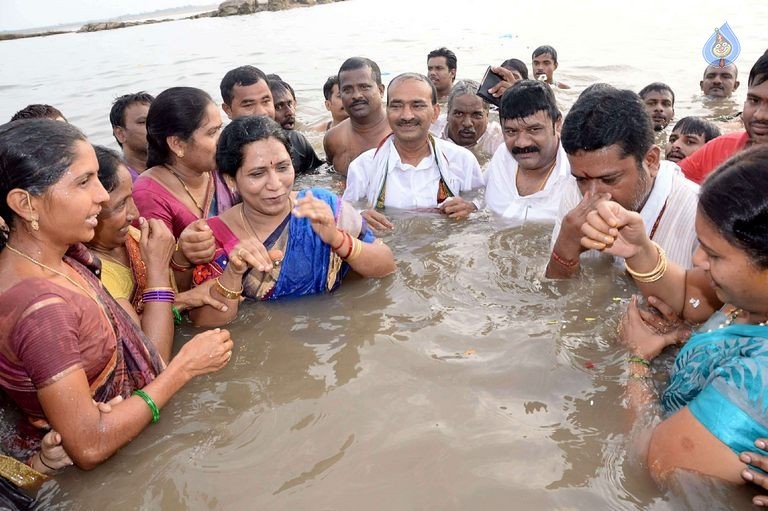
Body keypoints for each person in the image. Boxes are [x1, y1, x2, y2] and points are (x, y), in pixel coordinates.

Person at [0, 119, 233, 472]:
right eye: (83, 182)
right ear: (25, 204)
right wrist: (185, 368)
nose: (102, 195)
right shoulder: (42, 309)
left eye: (96, 177)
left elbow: (139, 349)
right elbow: (90, 446)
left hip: (129, 430)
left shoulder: (64, 260)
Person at [580, 146, 768, 485]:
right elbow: (685, 292)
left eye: (714, 254)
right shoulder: (748, 297)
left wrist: (637, 359)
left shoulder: (760, 380)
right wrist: (638, 249)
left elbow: (658, 465)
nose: (697, 259)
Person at [187, 116, 395, 327]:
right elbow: (203, 324)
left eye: (283, 167)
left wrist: (337, 239)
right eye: (258, 173)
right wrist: (233, 272)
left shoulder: (322, 205)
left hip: (329, 338)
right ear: (231, 180)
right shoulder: (214, 236)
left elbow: (386, 266)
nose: (275, 184)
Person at [545, 87, 699, 279]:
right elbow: (555, 296)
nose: (592, 195)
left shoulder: (699, 212)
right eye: (582, 180)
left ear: (651, 161)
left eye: (609, 179)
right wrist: (565, 247)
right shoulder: (573, 192)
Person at [86, 146, 228, 323]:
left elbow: (177, 288)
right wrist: (173, 289)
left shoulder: (133, 237)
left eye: (131, 197)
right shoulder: (93, 274)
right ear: (89, 211)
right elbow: (143, 346)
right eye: (121, 205)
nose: (135, 214)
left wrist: (182, 256)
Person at [343, 73, 483, 231]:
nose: (407, 115)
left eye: (417, 105)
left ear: (435, 112)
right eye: (396, 106)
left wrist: (471, 207)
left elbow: (482, 202)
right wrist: (359, 219)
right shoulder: (363, 167)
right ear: (386, 111)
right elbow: (346, 213)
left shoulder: (462, 160)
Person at [133, 86, 237, 240]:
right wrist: (181, 256)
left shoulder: (218, 168)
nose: (221, 139)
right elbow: (155, 259)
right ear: (177, 144)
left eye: (219, 129)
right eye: (212, 132)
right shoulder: (148, 195)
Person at [484, 80, 572, 223]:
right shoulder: (502, 156)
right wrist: (472, 205)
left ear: (557, 124)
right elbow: (479, 191)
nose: (522, 143)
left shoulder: (576, 175)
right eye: (511, 131)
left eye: (534, 130)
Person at [680, 54, 768, 184]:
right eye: (754, 100)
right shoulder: (720, 148)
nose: (760, 115)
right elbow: (665, 184)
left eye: (725, 76)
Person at [220, 67, 324, 174]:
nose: (261, 112)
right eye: (248, 104)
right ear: (228, 110)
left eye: (266, 101)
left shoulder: (296, 142)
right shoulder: (219, 155)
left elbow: (318, 176)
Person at [323, 57, 391, 176]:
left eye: (364, 87)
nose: (356, 95)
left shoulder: (400, 133)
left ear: (381, 90)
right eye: (347, 89)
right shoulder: (333, 138)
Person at [441, 79, 503, 164]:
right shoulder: (432, 131)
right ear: (448, 114)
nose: (467, 123)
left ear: (487, 116)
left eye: (476, 115)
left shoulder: (498, 139)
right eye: (459, 114)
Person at [109, 91, 154, 181]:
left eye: (156, 120)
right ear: (120, 133)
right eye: (142, 122)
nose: (154, 126)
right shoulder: (120, 182)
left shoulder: (175, 169)